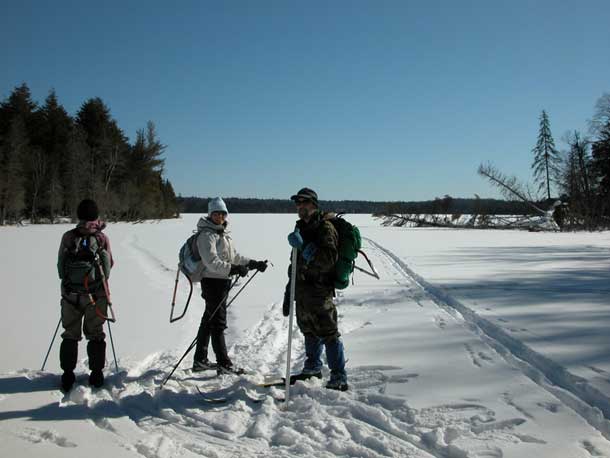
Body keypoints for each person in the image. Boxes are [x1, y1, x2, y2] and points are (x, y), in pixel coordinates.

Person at [192, 197, 268, 374]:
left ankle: (200, 360)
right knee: (218, 323)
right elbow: (212, 263)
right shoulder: (206, 235)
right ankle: (224, 363)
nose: (220, 216)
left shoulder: (222, 234)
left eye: (222, 213)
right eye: (216, 213)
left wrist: (253, 263)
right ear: (210, 214)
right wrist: (233, 269)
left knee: (208, 320)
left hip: (222, 282)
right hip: (212, 282)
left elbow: (234, 257)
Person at [283, 187, 348, 391]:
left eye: (304, 202)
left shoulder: (325, 228)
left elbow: (328, 259)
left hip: (320, 290)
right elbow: (294, 263)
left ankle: (339, 376)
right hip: (303, 290)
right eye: (298, 203)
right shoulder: (300, 227)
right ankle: (312, 368)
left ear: (314, 204)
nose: (300, 206)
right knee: (309, 330)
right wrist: (289, 291)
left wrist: (305, 247)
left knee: (328, 332)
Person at [57, 199, 114, 391]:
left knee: (70, 334)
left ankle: (67, 375)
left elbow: (60, 269)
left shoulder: (68, 237)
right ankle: (96, 374)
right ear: (96, 217)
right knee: (96, 334)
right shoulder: (101, 238)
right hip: (96, 295)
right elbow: (109, 267)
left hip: (70, 295)